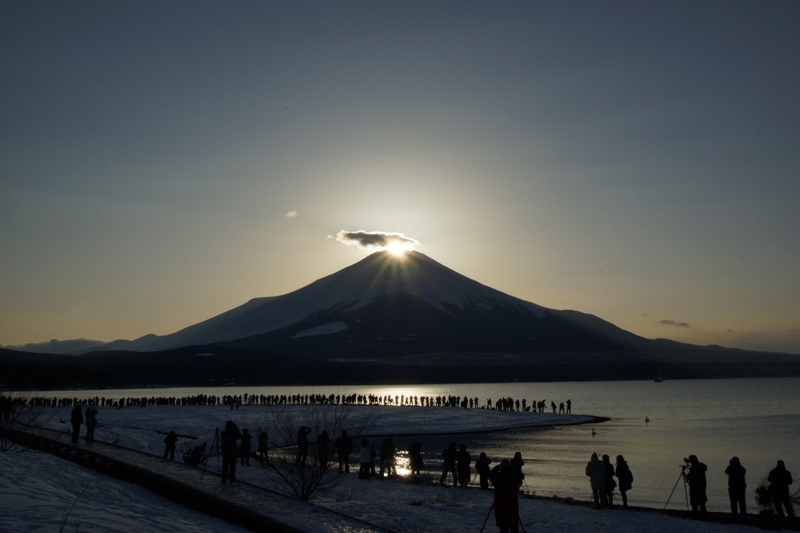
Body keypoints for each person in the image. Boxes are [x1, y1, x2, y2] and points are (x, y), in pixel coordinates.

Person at [489, 459, 523, 533]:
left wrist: (497, 467)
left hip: (500, 504)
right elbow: (520, 481)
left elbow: (490, 475)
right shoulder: (513, 475)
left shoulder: (498, 476)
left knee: (503, 527)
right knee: (513, 526)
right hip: (512, 504)